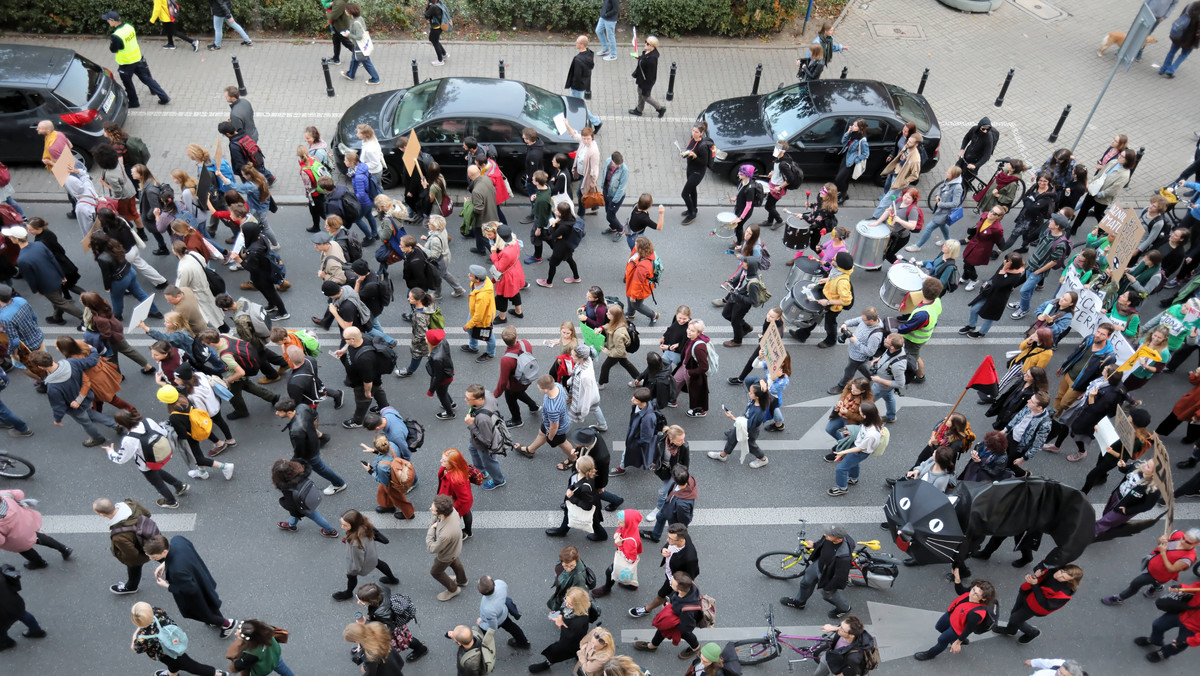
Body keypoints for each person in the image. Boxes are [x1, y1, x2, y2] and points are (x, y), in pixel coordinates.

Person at [144, 534, 237, 636]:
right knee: (210, 604)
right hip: (201, 578)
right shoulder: (178, 540)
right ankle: (218, 620)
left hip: (196, 595)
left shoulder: (177, 570)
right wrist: (166, 563)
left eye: (153, 556)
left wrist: (167, 585)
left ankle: (228, 624)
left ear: (164, 551)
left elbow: (189, 590)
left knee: (204, 614)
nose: (150, 558)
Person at [7, 225, 84, 326]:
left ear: (16, 239)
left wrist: (36, 289)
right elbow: (53, 260)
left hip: (46, 285)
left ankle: (84, 317)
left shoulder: (22, 259)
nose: (9, 238)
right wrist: (62, 275)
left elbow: (31, 278)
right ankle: (57, 317)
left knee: (60, 302)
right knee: (57, 300)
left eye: (10, 236)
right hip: (57, 277)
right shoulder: (39, 245)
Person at [1103, 529, 1200, 605]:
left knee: (1135, 583)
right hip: (1152, 562)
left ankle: (1119, 598)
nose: (1183, 541)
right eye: (1183, 538)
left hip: (1159, 574)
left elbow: (1171, 569)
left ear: (1197, 544)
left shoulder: (1188, 558)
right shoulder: (1177, 534)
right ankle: (1157, 587)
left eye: (1188, 542)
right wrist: (1160, 539)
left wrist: (1163, 553)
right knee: (1156, 582)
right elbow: (1160, 542)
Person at [129, 602, 228, 676]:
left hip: (166, 653)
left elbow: (135, 648)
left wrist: (138, 632)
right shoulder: (157, 612)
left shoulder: (142, 637)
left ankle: (217, 674)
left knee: (191, 666)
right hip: (174, 640)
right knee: (173, 665)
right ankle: (172, 674)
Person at [995, 565, 1083, 644]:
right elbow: (1042, 567)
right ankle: (1011, 630)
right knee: (1014, 613)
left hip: (1034, 606)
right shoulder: (1053, 570)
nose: (1058, 575)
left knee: (1015, 619)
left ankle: (1032, 632)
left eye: (1063, 577)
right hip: (1027, 593)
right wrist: (1036, 575)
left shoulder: (1064, 594)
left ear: (1070, 581)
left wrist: (1035, 585)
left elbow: (1045, 604)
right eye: (1061, 571)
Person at [779, 525, 853, 617]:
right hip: (819, 565)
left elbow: (840, 577)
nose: (825, 534)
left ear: (838, 539)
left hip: (827, 575)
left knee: (828, 595)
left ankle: (844, 608)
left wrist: (828, 588)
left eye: (829, 535)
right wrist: (814, 545)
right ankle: (799, 603)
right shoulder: (829, 536)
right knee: (805, 583)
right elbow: (822, 542)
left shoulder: (843, 557)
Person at [913, 580, 998, 661]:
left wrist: (958, 642)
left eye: (976, 594)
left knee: (942, 641)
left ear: (983, 599)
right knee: (939, 627)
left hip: (956, 629)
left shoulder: (977, 613)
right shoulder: (970, 593)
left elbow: (969, 629)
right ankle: (959, 639)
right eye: (973, 589)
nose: (971, 593)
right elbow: (960, 590)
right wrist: (957, 575)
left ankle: (930, 654)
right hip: (951, 615)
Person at [628, 523, 700, 619]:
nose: (667, 540)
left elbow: (691, 576)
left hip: (674, 579)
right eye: (668, 537)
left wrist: (676, 586)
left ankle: (647, 609)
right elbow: (667, 544)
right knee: (664, 597)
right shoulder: (682, 536)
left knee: (661, 595)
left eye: (671, 539)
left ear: (681, 540)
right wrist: (664, 549)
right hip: (670, 573)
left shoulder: (689, 558)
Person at [103, 11, 171, 107]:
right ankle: (164, 97)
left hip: (126, 63)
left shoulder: (116, 35)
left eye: (108, 20)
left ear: (113, 21)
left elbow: (113, 49)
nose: (107, 22)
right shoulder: (129, 26)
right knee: (147, 79)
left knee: (128, 84)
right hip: (138, 58)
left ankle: (134, 102)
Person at [1011, 213, 1072, 317]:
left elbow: (1054, 261)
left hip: (1038, 271)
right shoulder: (1049, 231)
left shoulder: (1060, 243)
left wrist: (1038, 271)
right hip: (1031, 265)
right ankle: (1022, 304)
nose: (1050, 221)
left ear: (1057, 226)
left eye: (1052, 220)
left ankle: (1024, 309)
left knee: (1024, 290)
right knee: (1029, 290)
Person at [631, 571, 703, 659]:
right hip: (679, 617)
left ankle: (695, 647)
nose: (670, 583)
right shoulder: (689, 587)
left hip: (681, 623)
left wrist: (671, 622)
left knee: (684, 633)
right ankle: (653, 645)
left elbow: (687, 627)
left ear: (680, 590)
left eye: (672, 584)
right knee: (663, 630)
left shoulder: (687, 610)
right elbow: (675, 596)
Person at [791, 251, 854, 348]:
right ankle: (802, 334)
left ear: (840, 265)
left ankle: (831, 340)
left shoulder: (843, 282)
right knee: (814, 316)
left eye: (835, 259)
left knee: (829, 324)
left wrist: (828, 302)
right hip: (826, 297)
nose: (832, 258)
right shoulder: (838, 271)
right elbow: (833, 278)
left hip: (833, 306)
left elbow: (847, 301)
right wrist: (826, 280)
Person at [0, 488, 72, 570]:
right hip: (26, 522)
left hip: (17, 538)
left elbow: (1, 541)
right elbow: (19, 494)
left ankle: (40, 563)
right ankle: (64, 549)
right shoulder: (4, 496)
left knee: (24, 549)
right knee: (39, 537)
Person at [1053, 323, 1117, 415]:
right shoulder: (1089, 339)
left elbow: (1100, 377)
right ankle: (1055, 414)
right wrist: (1064, 366)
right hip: (1069, 373)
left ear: (1108, 337)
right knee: (1059, 396)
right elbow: (1075, 353)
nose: (1098, 335)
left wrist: (1087, 391)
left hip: (1079, 384)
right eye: (1098, 331)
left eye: (1102, 334)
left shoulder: (1109, 357)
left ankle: (1064, 414)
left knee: (1064, 403)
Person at [707, 380, 773, 468]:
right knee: (732, 437)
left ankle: (763, 459)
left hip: (750, 430)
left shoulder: (758, 412)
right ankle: (723, 455)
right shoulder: (756, 400)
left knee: (751, 446)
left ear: (758, 396)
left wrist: (733, 418)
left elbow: (748, 425)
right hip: (742, 424)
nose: (749, 393)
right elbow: (749, 380)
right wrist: (761, 381)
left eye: (751, 393)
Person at [1071, 148, 1136, 235]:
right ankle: (1074, 227)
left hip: (1102, 198)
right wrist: (1092, 183)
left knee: (1098, 213)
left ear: (1128, 160)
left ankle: (1102, 228)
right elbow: (1100, 174)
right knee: (1083, 210)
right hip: (1093, 191)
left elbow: (1114, 189)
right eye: (1120, 154)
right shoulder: (1113, 162)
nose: (1119, 157)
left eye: (1122, 156)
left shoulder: (1124, 175)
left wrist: (1101, 194)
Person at [960, 252, 1025, 338]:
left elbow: (998, 283)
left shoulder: (1016, 275)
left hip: (998, 298)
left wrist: (1003, 270)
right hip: (989, 292)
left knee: (990, 317)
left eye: (1007, 261)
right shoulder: (1005, 265)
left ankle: (981, 333)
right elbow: (994, 277)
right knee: (974, 308)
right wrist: (986, 285)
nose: (1004, 261)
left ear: (1012, 264)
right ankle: (972, 326)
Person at [528, 587, 593, 673]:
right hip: (577, 635)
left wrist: (559, 622)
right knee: (578, 648)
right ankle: (578, 654)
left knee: (558, 650)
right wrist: (558, 615)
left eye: (570, 604)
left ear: (578, 606)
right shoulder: (573, 606)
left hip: (572, 638)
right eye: (566, 600)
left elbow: (570, 636)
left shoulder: (579, 622)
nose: (566, 605)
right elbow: (563, 610)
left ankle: (547, 663)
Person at [545, 454, 607, 541]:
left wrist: (571, 498)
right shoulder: (583, 473)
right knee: (569, 515)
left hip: (581, 503)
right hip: (577, 500)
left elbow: (587, 506)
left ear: (579, 469)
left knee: (593, 522)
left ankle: (602, 535)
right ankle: (563, 530)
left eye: (577, 462)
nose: (575, 461)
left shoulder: (585, 487)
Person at [338, 326, 391, 429]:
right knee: (378, 390)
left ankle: (358, 421)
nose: (344, 340)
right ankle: (384, 408)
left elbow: (368, 380)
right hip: (373, 380)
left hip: (363, 384)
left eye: (346, 339)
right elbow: (348, 346)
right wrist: (343, 351)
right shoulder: (362, 339)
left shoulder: (365, 359)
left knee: (363, 401)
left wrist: (367, 392)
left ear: (353, 339)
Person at [827, 401, 884, 496]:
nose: (859, 412)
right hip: (859, 446)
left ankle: (842, 488)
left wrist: (842, 452)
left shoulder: (872, 434)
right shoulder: (873, 421)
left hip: (860, 451)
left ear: (866, 416)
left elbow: (860, 448)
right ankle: (853, 478)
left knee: (841, 469)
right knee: (853, 463)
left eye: (861, 412)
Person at [913, 166, 965, 250]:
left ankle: (917, 246)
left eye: (948, 172)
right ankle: (947, 241)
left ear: (954, 175)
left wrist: (940, 204)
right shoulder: (948, 180)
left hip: (945, 213)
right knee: (943, 226)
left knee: (929, 228)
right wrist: (937, 195)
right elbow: (941, 189)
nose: (946, 173)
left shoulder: (957, 187)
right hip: (940, 211)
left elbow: (955, 203)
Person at [427, 494, 468, 601]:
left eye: (433, 509)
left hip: (446, 554)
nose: (430, 508)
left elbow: (432, 548)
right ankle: (462, 580)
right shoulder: (452, 511)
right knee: (455, 561)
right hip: (455, 548)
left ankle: (453, 589)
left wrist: (432, 528)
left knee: (436, 572)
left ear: (441, 513)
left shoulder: (445, 534)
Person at [593, 509, 643, 597]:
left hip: (625, 556)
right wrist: (617, 533)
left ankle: (607, 588)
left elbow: (630, 559)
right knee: (628, 571)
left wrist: (619, 545)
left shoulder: (630, 542)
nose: (618, 522)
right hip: (628, 551)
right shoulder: (630, 527)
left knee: (609, 571)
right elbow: (620, 528)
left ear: (628, 523)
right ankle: (631, 585)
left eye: (621, 521)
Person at [1005, 392, 1054, 477]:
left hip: (1018, 446)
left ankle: (1024, 474)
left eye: (1032, 401)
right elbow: (1018, 416)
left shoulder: (1045, 424)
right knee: (1001, 455)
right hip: (1011, 436)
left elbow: (1037, 445)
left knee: (1009, 464)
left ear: (1039, 407)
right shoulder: (1029, 407)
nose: (1028, 401)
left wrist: (1023, 459)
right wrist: (1006, 429)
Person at [537, 202, 583, 287]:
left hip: (561, 248)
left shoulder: (563, 226)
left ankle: (548, 282)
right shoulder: (571, 218)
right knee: (570, 260)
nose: (555, 210)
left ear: (561, 213)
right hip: (568, 246)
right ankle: (576, 277)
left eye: (557, 210)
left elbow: (552, 234)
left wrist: (554, 224)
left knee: (552, 264)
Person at [477, 575, 530, 649]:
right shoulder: (500, 584)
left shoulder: (488, 609)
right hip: (503, 613)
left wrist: (481, 623)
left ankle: (483, 649)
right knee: (512, 627)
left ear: (480, 592)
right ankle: (523, 642)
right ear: (494, 584)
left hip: (497, 620)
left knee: (482, 634)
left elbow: (493, 627)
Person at [812, 616, 876, 676]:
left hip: (837, 668)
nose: (839, 629)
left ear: (851, 635)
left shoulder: (854, 657)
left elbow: (849, 672)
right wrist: (833, 628)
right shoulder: (852, 632)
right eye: (841, 625)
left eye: (842, 629)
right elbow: (841, 628)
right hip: (828, 657)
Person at [228, 619, 296, 676]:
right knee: (285, 671)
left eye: (239, 634)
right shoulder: (264, 631)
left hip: (264, 668)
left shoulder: (251, 653)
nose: (236, 633)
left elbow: (238, 666)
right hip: (275, 657)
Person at [865, 334, 906, 424]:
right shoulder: (897, 348)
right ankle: (891, 417)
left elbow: (900, 384)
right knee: (889, 398)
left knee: (866, 403)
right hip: (882, 384)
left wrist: (880, 380)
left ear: (892, 347)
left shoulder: (898, 365)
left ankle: (866, 420)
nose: (884, 340)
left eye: (886, 341)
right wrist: (878, 359)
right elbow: (887, 354)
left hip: (881, 386)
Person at [679, 123, 714, 225]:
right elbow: (689, 150)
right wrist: (685, 154)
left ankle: (692, 213)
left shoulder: (702, 147)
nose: (694, 133)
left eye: (696, 132)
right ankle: (694, 208)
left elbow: (704, 163)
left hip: (697, 172)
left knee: (684, 194)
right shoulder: (693, 139)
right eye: (693, 131)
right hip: (690, 169)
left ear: (702, 133)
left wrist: (694, 156)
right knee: (692, 190)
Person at [489, 226, 525, 323]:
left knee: (502, 297)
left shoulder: (506, 252)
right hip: (515, 270)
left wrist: (493, 254)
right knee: (515, 292)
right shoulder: (515, 241)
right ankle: (518, 311)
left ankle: (502, 317)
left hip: (507, 276)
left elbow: (499, 267)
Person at [565, 37, 603, 129]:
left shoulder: (578, 60)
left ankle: (596, 122)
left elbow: (577, 76)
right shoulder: (589, 54)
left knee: (579, 106)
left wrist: (572, 85)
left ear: (582, 45)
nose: (575, 43)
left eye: (577, 42)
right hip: (583, 84)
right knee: (576, 105)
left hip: (577, 87)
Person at [342, 621, 406, 675]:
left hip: (384, 668)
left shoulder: (370, 655)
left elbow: (371, 672)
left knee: (364, 669)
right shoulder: (375, 628)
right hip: (390, 655)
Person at [462, 265, 497, 361]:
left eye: (471, 275)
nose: (468, 275)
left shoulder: (482, 296)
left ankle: (490, 353)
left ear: (477, 279)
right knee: (470, 330)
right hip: (476, 312)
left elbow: (478, 317)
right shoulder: (480, 282)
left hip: (484, 318)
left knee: (488, 337)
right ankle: (473, 347)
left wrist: (468, 325)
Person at [340, 3, 381, 84]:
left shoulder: (355, 23)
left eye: (346, 10)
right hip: (358, 46)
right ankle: (351, 74)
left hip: (360, 46)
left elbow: (359, 37)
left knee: (366, 63)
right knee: (354, 60)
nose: (345, 11)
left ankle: (375, 79)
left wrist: (349, 35)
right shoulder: (359, 18)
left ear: (350, 12)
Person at [681, 319, 713, 418]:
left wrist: (690, 373)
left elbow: (704, 367)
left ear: (699, 332)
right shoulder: (693, 338)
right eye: (689, 329)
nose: (689, 332)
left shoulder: (699, 347)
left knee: (697, 393)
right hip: (690, 368)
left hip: (695, 373)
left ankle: (700, 411)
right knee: (695, 391)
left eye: (692, 331)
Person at [833, 119, 869, 202]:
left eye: (855, 126)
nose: (852, 126)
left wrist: (856, 159)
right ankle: (843, 194)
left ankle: (843, 194)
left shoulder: (862, 140)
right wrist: (848, 132)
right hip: (846, 157)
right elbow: (843, 141)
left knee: (839, 179)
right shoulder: (852, 134)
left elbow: (866, 154)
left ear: (861, 128)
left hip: (851, 162)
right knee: (844, 178)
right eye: (853, 125)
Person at [1160, 2, 1200, 77]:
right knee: (1184, 55)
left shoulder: (1191, 5)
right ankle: (1171, 70)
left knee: (1172, 52)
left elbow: (1181, 16)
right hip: (1190, 40)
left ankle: (1163, 68)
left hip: (1179, 34)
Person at [630, 37, 666, 118]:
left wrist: (646, 86)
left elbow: (651, 75)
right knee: (640, 92)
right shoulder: (646, 52)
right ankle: (639, 110)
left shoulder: (652, 59)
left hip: (646, 81)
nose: (645, 44)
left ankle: (660, 109)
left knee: (646, 97)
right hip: (641, 78)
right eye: (645, 41)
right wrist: (638, 58)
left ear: (653, 46)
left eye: (648, 43)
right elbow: (643, 59)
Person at [956, 118, 999, 183]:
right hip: (966, 156)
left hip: (974, 161)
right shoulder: (974, 129)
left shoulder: (988, 138)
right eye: (983, 129)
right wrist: (962, 149)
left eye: (987, 129)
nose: (985, 131)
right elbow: (966, 138)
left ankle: (964, 190)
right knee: (955, 172)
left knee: (964, 182)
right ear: (979, 127)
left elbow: (987, 156)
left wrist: (975, 165)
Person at [600, 152, 629, 237]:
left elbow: (622, 187)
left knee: (610, 216)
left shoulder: (624, 170)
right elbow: (604, 174)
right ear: (612, 161)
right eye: (617, 164)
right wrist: (603, 187)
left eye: (620, 164)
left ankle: (621, 229)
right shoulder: (608, 161)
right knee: (607, 211)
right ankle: (613, 227)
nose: (619, 166)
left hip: (616, 196)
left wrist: (615, 200)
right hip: (606, 191)